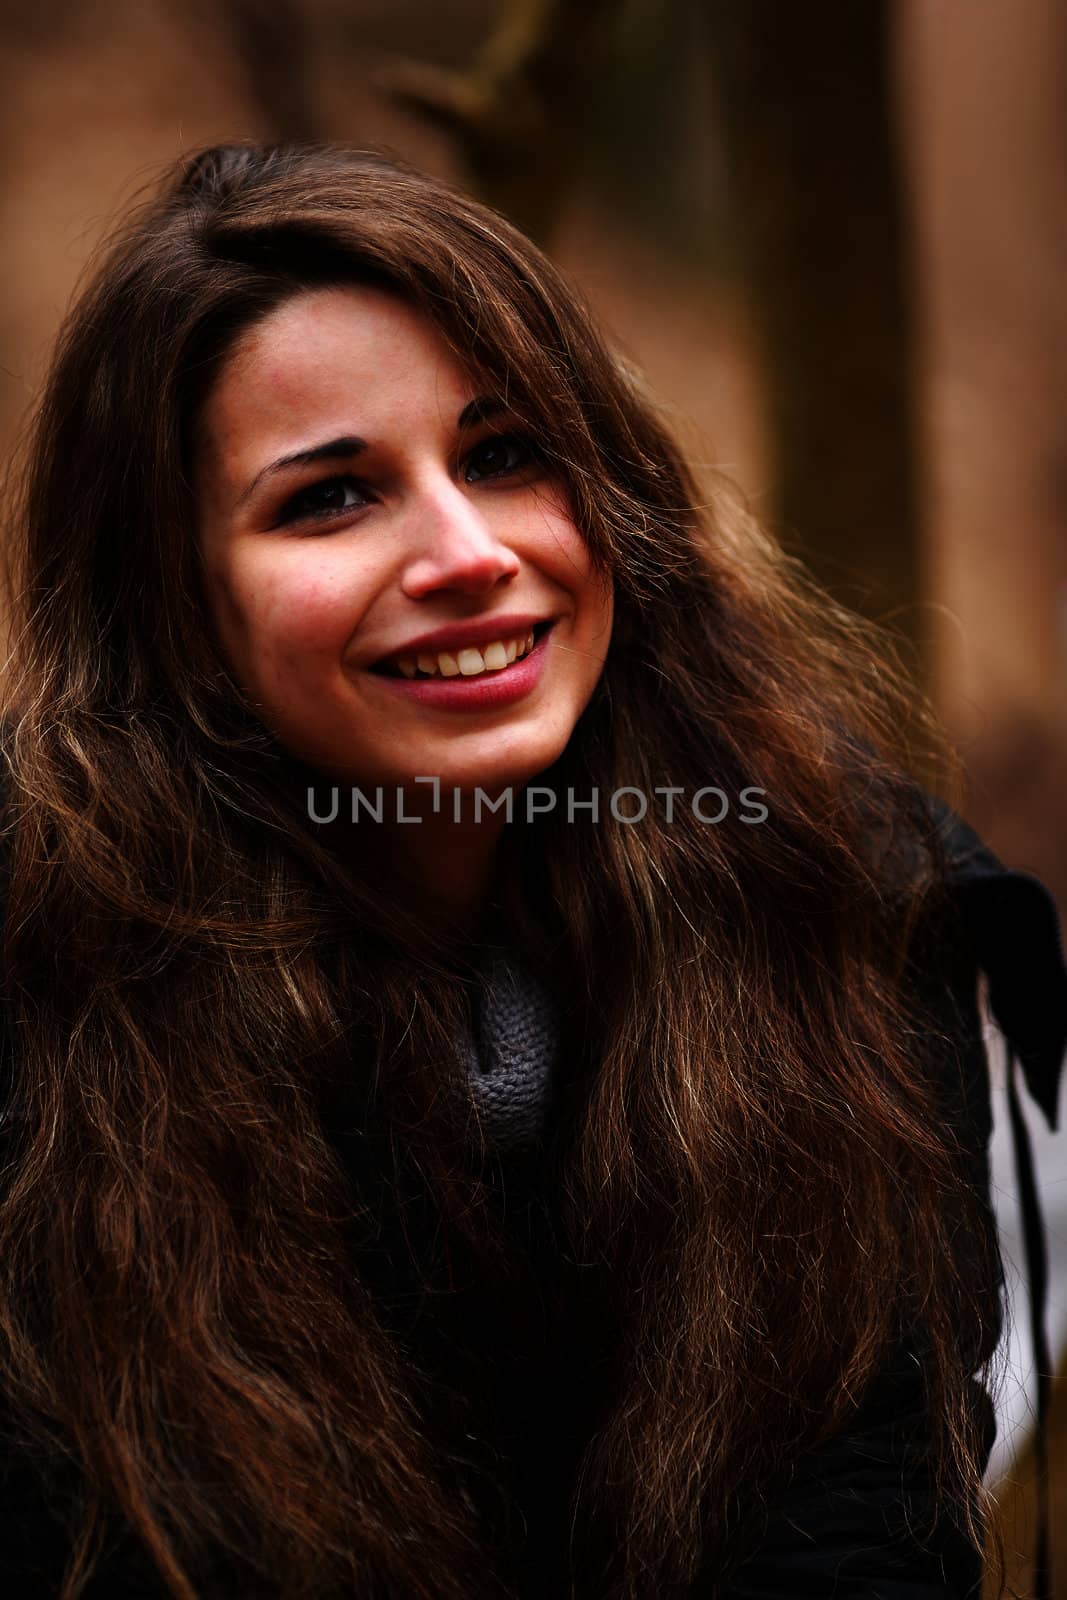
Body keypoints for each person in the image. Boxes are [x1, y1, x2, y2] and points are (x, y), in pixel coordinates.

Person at [0, 139, 1063, 1600]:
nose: (467, 552)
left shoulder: (829, 906)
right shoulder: (45, 998)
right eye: (328, 498)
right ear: (170, 605)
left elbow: (862, 1538)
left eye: (506, 456)